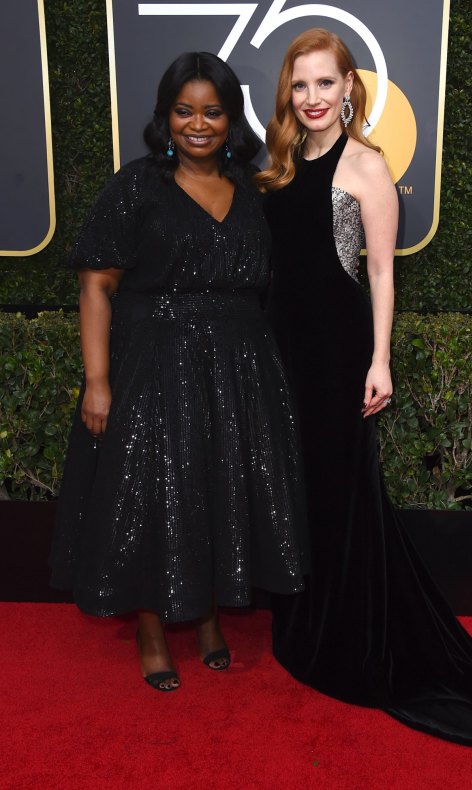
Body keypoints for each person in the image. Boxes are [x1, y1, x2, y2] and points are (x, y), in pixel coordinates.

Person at [257, 28, 472, 747]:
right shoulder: (274, 166)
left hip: (337, 356)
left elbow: (380, 273)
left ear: (348, 90)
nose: (312, 98)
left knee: (343, 495)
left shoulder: (366, 166)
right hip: (281, 355)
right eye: (300, 85)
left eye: (325, 84)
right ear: (287, 92)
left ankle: (349, 637)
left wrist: (380, 360)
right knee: (298, 492)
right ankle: (304, 629)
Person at [50, 52, 308, 691]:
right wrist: (98, 381)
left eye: (213, 112)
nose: (199, 124)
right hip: (155, 365)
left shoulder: (253, 187)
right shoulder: (136, 186)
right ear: (166, 118)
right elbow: (95, 286)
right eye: (184, 111)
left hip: (240, 368)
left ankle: (212, 615)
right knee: (155, 493)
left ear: (231, 118)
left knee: (223, 489)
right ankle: (152, 626)